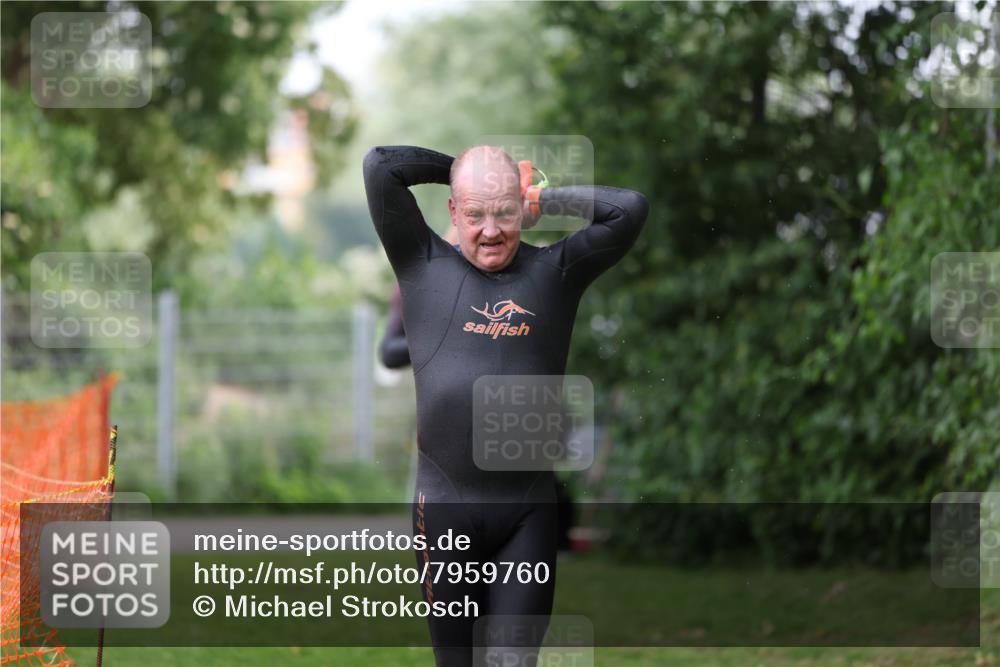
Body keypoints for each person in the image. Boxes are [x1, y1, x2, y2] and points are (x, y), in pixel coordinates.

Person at [363, 144, 648, 666]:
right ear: (452, 211)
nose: (490, 230)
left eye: (505, 212)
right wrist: (468, 167)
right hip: (446, 508)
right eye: (474, 214)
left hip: (528, 517)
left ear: (521, 209)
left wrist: (540, 196)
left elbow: (628, 208)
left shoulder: (556, 272)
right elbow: (382, 166)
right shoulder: (421, 264)